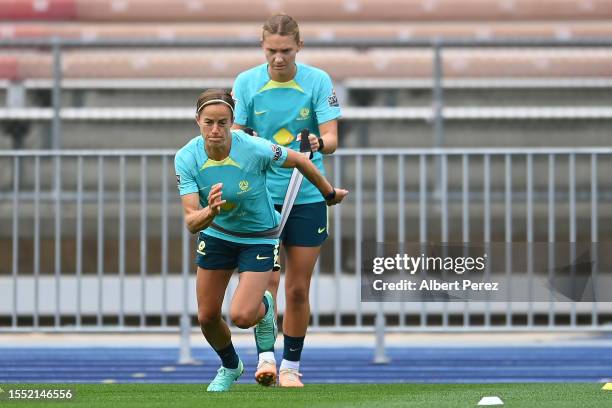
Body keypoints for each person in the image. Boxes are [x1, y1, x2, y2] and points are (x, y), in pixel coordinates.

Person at [174, 89, 347, 392]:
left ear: (232, 123)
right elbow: (191, 222)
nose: (216, 130)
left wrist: (328, 193)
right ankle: (230, 365)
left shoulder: (254, 148)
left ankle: (264, 308)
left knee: (242, 317)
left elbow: (301, 161)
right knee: (207, 316)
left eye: (223, 123)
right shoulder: (186, 157)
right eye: (209, 122)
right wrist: (210, 212)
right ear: (198, 121)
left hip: (259, 237)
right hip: (216, 234)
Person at [231, 13, 341, 387]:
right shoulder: (246, 82)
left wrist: (317, 144)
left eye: (286, 51)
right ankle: (265, 359)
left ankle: (291, 366)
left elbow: (332, 137)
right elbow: (237, 136)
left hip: (307, 193)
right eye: (271, 51)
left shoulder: (317, 80)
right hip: (263, 197)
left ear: (299, 47)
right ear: (262, 47)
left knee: (297, 287)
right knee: (268, 283)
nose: (278, 58)